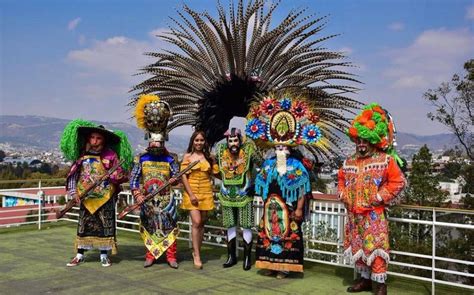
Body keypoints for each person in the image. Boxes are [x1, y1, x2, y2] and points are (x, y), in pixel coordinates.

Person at [246, 94, 321, 279]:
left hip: (290, 209)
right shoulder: (269, 163)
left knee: (288, 236)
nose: (280, 149)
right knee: (269, 236)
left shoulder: (297, 165)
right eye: (277, 146)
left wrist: (300, 208)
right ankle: (271, 265)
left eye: (283, 147)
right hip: (271, 208)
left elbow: (303, 187)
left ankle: (285, 267)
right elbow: (261, 184)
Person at [338, 103, 406, 295]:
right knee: (359, 249)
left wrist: (379, 197)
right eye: (358, 140)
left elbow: (398, 181)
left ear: (372, 141)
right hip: (353, 216)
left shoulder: (385, 160)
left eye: (365, 141)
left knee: (376, 250)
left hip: (373, 216)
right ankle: (365, 280)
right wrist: (343, 194)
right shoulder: (349, 162)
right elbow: (341, 180)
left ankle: (381, 285)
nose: (361, 144)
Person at [60, 120, 132, 267]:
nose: (95, 141)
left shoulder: (111, 156)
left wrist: (110, 176)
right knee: (83, 226)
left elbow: (120, 175)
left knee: (105, 226)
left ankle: (104, 256)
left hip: (105, 198)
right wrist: (74, 193)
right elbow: (73, 175)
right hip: (85, 198)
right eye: (92, 138)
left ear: (103, 140)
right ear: (88, 139)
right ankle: (79, 255)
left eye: (98, 138)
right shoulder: (82, 155)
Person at [129, 94, 180, 269]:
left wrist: (175, 179)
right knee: (149, 227)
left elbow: (177, 176)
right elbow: (134, 179)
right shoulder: (140, 159)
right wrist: (137, 195)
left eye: (159, 142)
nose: (156, 145)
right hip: (147, 200)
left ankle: (171, 256)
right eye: (153, 142)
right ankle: (150, 255)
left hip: (166, 201)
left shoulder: (171, 158)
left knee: (169, 228)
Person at [215, 128, 256, 270]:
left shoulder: (249, 150)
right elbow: (214, 167)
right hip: (227, 194)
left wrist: (255, 184)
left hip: (244, 193)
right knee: (230, 225)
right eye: (230, 140)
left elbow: (262, 165)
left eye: (235, 140)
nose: (233, 143)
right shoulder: (220, 151)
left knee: (246, 225)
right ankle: (231, 256)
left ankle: (246, 259)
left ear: (240, 140)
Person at [180, 130, 219, 269]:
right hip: (192, 192)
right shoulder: (188, 157)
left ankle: (197, 251)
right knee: (196, 222)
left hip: (206, 192)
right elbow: (183, 176)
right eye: (196, 140)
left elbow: (216, 174)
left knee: (201, 223)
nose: (199, 143)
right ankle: (197, 255)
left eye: (201, 140)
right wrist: (191, 194)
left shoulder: (209, 157)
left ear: (205, 142)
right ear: (192, 141)